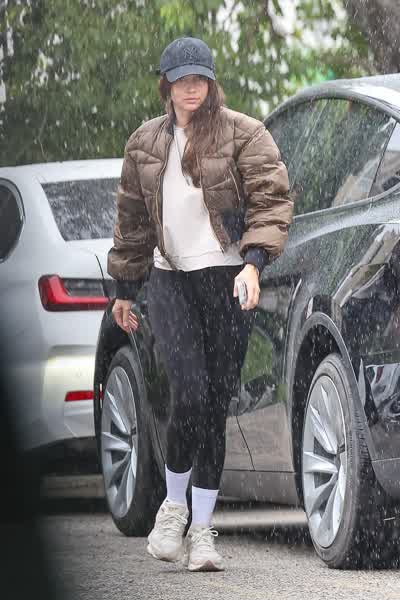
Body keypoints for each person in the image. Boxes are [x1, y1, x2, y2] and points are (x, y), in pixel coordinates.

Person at [107, 36, 292, 572]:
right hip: (170, 280)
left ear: (211, 83)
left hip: (227, 279)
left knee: (215, 404)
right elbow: (132, 222)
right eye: (182, 79)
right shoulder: (144, 143)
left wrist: (253, 263)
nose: (191, 88)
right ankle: (173, 509)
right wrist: (124, 289)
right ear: (166, 84)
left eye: (200, 79)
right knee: (188, 392)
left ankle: (204, 532)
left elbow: (272, 199)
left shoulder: (244, 133)